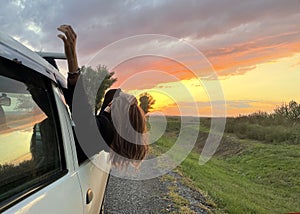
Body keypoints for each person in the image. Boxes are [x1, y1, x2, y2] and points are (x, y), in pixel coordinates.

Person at [57, 25, 148, 168]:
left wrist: (73, 61)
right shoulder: (109, 134)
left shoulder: (104, 129)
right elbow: (110, 96)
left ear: (117, 116)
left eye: (112, 105)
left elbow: (82, 113)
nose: (109, 104)